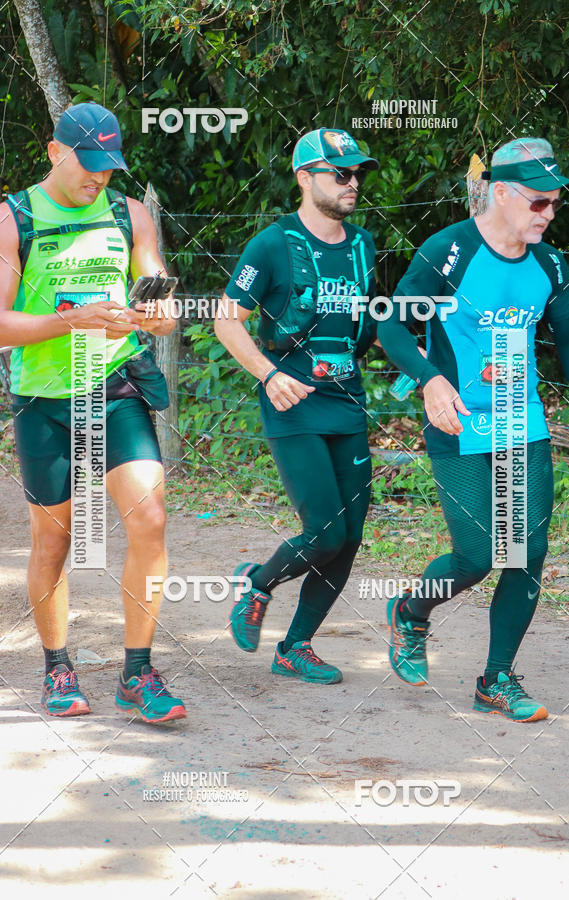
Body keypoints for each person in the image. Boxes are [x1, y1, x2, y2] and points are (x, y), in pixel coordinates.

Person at [378, 137, 569, 722]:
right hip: (458, 421)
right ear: (500, 192)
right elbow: (392, 328)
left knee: (526, 551)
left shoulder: (548, 263)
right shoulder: (448, 251)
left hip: (521, 423)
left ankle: (496, 679)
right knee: (476, 555)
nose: (548, 215)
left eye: (554, 204)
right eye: (538, 203)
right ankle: (411, 612)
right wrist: (428, 379)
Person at [0, 102, 186, 722]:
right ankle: (58, 666)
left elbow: (158, 288)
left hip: (114, 385)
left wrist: (160, 312)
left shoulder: (129, 214)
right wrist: (69, 321)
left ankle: (138, 671)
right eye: (89, 164)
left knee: (150, 518)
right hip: (46, 399)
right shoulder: (13, 219)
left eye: (109, 167)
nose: (99, 178)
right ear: (55, 152)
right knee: (55, 538)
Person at [215, 128, 379, 683]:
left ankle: (295, 647)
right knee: (325, 531)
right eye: (341, 173)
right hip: (293, 401)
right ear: (305, 178)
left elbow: (367, 323)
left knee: (351, 534)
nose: (352, 182)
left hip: (347, 400)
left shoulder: (363, 245)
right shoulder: (272, 244)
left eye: (357, 173)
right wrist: (269, 374)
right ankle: (256, 583)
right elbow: (226, 318)